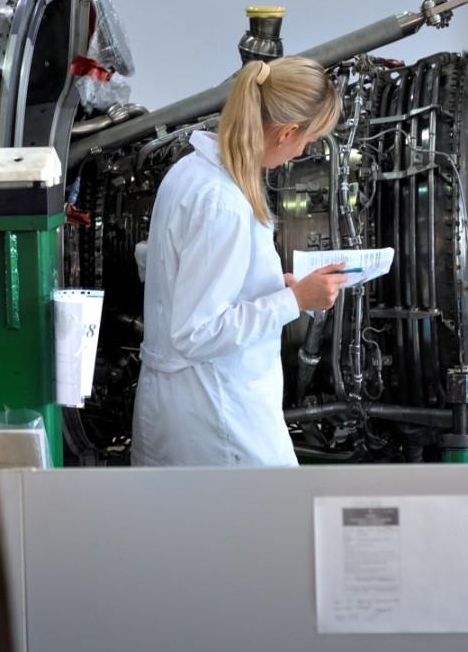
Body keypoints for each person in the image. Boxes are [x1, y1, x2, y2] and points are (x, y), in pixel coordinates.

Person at [132, 56, 348, 467]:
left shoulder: (191, 171)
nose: (303, 151)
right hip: (216, 413)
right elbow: (197, 332)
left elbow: (198, 285)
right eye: (309, 139)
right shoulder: (222, 202)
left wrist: (272, 285)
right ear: (287, 132)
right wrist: (294, 301)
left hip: (193, 404)